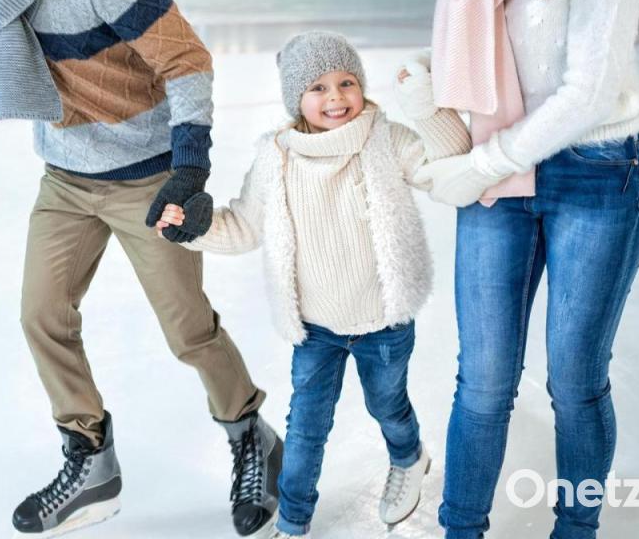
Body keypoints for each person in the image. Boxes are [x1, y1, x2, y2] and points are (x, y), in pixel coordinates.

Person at [0, 0, 280, 536]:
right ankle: (91, 460)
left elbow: (188, 61)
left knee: (188, 331)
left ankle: (251, 436)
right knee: (42, 315)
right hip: (66, 178)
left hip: (143, 176)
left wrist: (188, 168)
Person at [421, 0, 639, 537]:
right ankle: (462, 529)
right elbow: (487, 69)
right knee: (484, 381)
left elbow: (587, 89)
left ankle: (573, 530)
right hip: (502, 177)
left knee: (574, 382)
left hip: (595, 172)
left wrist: (483, 166)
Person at [159, 32, 472, 538]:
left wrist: (428, 106)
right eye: (318, 87)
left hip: (384, 321)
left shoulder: (385, 139)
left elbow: (443, 169)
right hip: (317, 328)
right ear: (295, 100)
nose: (335, 97)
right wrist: (195, 228)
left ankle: (409, 457)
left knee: (387, 405)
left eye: (346, 82)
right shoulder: (276, 157)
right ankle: (295, 522)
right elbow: (243, 225)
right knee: (305, 431)